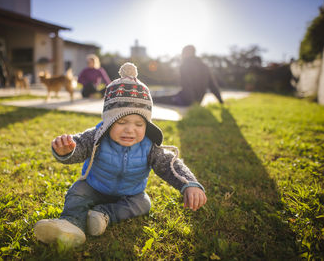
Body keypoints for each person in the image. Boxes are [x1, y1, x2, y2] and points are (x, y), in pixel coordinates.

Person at [34, 62, 207, 247]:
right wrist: (67, 150)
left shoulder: (149, 146)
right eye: (122, 121)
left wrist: (189, 184)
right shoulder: (97, 136)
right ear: (109, 121)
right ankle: (70, 223)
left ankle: (103, 215)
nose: (130, 130)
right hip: (95, 187)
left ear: (147, 126)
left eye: (139, 124)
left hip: (130, 194)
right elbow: (79, 146)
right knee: (77, 191)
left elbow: (170, 164)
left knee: (144, 203)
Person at [154, 45, 223, 106]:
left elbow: (187, 85)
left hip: (185, 100)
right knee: (168, 95)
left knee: (155, 99)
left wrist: (190, 103)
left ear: (186, 53)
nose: (182, 54)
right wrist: (221, 101)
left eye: (183, 52)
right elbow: (213, 86)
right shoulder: (205, 66)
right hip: (198, 101)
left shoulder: (185, 65)